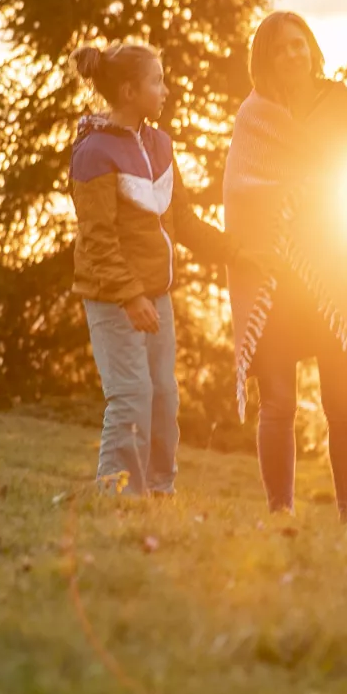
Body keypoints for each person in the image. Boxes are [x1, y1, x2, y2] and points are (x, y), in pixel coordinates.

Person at [224, 11, 347, 524]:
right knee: (277, 405)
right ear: (265, 60)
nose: (292, 54)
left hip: (336, 270)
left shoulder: (344, 103)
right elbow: (240, 189)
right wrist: (296, 190)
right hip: (275, 277)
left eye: (298, 43)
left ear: (311, 48)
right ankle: (280, 513)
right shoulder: (255, 115)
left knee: (342, 403)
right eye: (280, 48)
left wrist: (315, 188)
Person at [69, 41, 232, 497]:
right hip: (113, 298)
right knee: (132, 395)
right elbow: (97, 238)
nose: (165, 90)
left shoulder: (160, 145)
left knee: (163, 395)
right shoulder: (94, 152)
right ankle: (117, 494)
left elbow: (184, 221)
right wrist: (131, 296)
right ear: (128, 91)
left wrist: (237, 251)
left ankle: (160, 490)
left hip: (155, 295)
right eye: (157, 81)